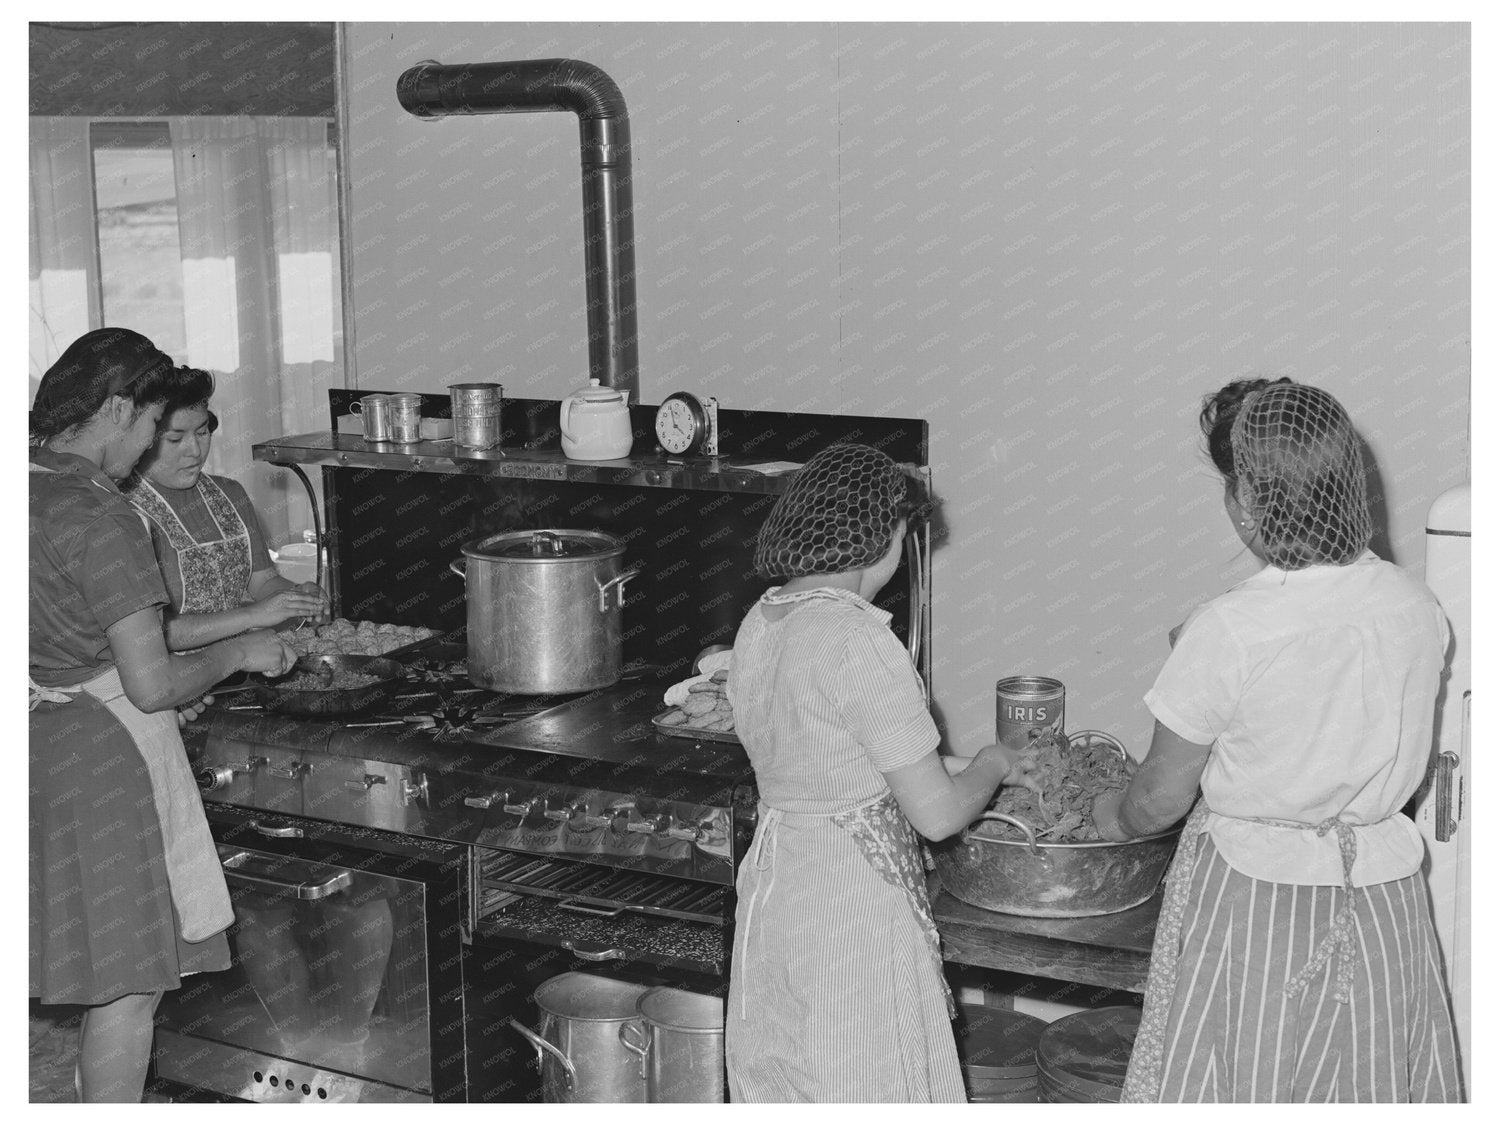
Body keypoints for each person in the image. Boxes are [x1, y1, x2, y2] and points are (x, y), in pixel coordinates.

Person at [1091, 378, 1462, 1102]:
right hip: (1384, 904)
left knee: (1246, 1084)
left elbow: (1157, 802)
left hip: (1260, 908)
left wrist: (1107, 813)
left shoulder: (1229, 628)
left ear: (1246, 503)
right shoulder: (1418, 607)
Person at [724, 442, 1040, 1102]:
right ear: (887, 532)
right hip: (847, 897)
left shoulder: (764, 619)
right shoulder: (859, 638)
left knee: (793, 1073)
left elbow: (848, 760)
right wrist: (987, 762)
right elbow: (938, 812)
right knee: (864, 1072)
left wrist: (998, 768)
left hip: (777, 883)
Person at [29, 328, 299, 1102]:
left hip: (36, 739)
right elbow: (150, 683)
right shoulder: (99, 513)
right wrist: (242, 651)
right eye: (153, 426)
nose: (150, 447)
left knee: (90, 967)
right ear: (118, 407)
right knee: (128, 986)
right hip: (104, 759)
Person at [122, 366, 327, 647]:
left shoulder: (230, 495)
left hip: (242, 664)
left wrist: (297, 597)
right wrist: (252, 616)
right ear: (144, 437)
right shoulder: (123, 511)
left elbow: (263, 581)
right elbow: (155, 634)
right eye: (175, 438)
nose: (194, 450)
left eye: (203, 432)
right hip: (176, 678)